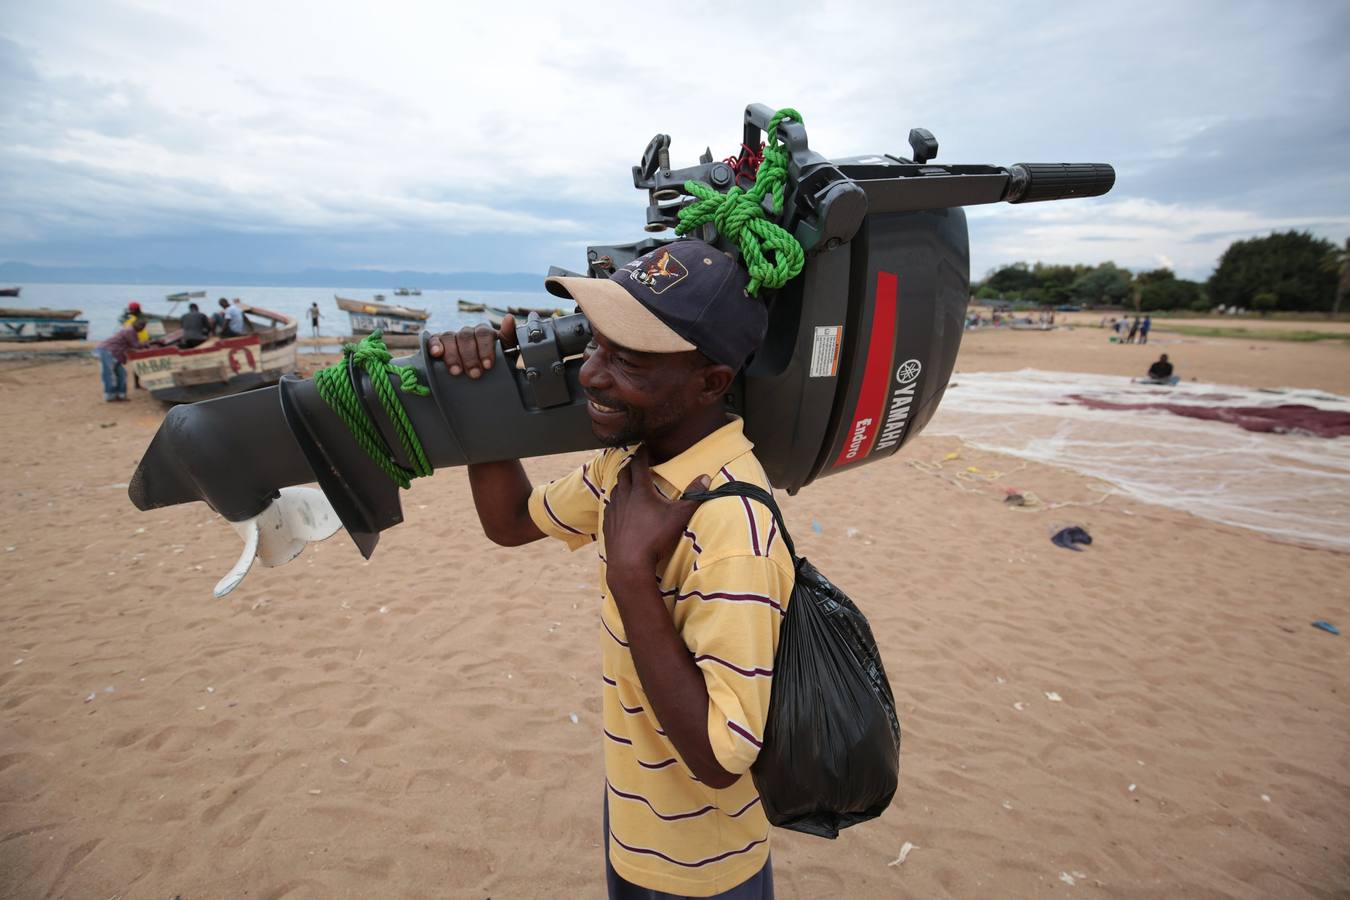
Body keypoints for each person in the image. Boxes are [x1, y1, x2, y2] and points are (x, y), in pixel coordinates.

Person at [428, 240, 789, 899]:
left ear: (711, 381)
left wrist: (630, 576)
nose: (592, 374)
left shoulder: (729, 524)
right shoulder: (626, 468)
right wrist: (485, 398)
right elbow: (510, 520)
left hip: (703, 871)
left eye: (629, 361)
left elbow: (721, 756)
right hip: (636, 823)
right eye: (595, 345)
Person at [96, 316, 148, 401]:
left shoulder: (132, 331)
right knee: (109, 374)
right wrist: (146, 344)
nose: (142, 328)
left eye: (143, 326)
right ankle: (110, 396)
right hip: (108, 351)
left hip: (116, 353)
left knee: (122, 374)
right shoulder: (130, 331)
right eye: (141, 325)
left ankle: (121, 395)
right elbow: (136, 345)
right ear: (135, 324)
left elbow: (132, 346)